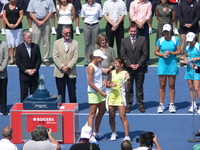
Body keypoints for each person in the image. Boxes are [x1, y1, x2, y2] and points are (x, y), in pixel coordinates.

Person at [120, 23, 148, 113]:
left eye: (134, 31)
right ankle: (128, 105)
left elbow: (145, 54)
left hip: (140, 68)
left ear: (137, 31)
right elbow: (122, 55)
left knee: (139, 87)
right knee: (129, 87)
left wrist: (138, 64)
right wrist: (129, 64)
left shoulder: (142, 39)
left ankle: (140, 104)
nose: (133, 33)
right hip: (128, 69)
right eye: (131, 31)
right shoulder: (124, 41)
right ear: (129, 31)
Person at [154, 24, 181, 113]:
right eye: (165, 31)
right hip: (162, 64)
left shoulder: (175, 39)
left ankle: (172, 104)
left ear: (170, 31)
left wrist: (171, 53)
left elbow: (179, 51)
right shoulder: (160, 40)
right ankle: (161, 105)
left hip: (172, 64)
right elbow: (156, 52)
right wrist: (162, 54)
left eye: (167, 31)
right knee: (162, 85)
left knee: (171, 85)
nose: (166, 33)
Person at [106, 58, 130, 141]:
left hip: (120, 97)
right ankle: (113, 133)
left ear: (121, 65)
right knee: (111, 116)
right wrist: (111, 84)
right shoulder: (111, 73)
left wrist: (128, 80)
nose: (115, 65)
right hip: (111, 97)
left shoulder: (125, 73)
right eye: (114, 63)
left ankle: (127, 136)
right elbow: (107, 84)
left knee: (123, 116)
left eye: (117, 63)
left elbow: (128, 87)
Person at [87, 49, 107, 144]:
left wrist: (103, 80)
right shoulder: (91, 67)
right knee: (92, 114)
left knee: (102, 111)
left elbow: (98, 76)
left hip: (100, 91)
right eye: (101, 58)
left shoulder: (98, 65)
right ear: (96, 58)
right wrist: (100, 92)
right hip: (94, 93)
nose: (102, 60)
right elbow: (90, 83)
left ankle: (96, 132)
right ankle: (90, 136)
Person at [53, 25, 78, 103]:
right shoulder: (56, 43)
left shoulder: (75, 43)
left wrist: (68, 67)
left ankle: (73, 108)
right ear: (62, 33)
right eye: (66, 33)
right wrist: (62, 67)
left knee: (72, 92)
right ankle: (62, 108)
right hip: (60, 72)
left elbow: (75, 57)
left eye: (69, 33)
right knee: (60, 93)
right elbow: (55, 57)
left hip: (71, 72)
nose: (68, 34)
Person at [27, 0, 56, 66]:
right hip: (35, 22)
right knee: (35, 42)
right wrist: (37, 21)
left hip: (46, 22)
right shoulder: (32, 1)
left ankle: (46, 59)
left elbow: (51, 12)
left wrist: (43, 21)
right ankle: (36, 58)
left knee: (46, 41)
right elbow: (30, 13)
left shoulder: (49, 1)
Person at [15, 30, 42, 103]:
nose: (30, 39)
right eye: (28, 38)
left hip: (34, 75)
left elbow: (39, 60)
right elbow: (18, 61)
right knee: (24, 94)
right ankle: (23, 109)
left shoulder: (35, 47)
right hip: (24, 75)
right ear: (24, 38)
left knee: (34, 94)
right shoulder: (19, 48)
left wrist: (35, 69)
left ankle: (34, 110)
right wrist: (26, 70)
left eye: (30, 38)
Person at [81, 0, 102, 66]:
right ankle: (87, 60)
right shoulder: (84, 6)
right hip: (86, 25)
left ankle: (94, 59)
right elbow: (83, 16)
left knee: (95, 43)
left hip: (95, 25)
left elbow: (100, 16)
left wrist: (94, 21)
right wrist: (88, 21)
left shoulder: (98, 5)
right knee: (87, 43)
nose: (90, 0)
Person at [183, 32, 200, 113]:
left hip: (197, 69)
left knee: (197, 88)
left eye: (191, 40)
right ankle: (193, 104)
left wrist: (195, 59)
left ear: (194, 38)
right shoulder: (187, 47)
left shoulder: (198, 46)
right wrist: (186, 60)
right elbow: (186, 56)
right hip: (189, 69)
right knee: (191, 87)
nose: (190, 42)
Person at [3, 0, 23, 65]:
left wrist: (16, 24)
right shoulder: (6, 6)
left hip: (18, 28)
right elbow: (4, 16)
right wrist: (8, 24)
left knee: (18, 44)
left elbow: (21, 16)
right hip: (9, 29)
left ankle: (18, 59)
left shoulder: (19, 6)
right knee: (10, 44)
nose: (13, 0)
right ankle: (12, 58)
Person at [0, 40, 8, 115]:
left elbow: (6, 58)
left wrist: (1, 68)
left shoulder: (4, 44)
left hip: (2, 74)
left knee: (3, 93)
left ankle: (4, 109)